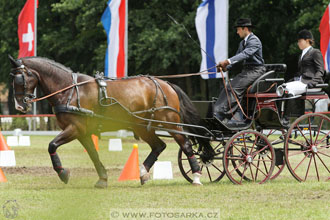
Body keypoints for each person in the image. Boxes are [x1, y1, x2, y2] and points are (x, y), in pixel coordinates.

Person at [214, 18, 266, 123]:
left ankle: (226, 114)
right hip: (247, 71)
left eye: (238, 30)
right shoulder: (242, 43)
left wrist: (227, 61)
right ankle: (217, 111)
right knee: (228, 86)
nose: (237, 32)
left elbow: (245, 54)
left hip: (256, 70)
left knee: (235, 88)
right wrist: (225, 67)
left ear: (245, 28)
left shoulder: (254, 40)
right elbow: (237, 59)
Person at [282, 29, 325, 125]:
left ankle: (287, 118)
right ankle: (283, 116)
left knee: (288, 89)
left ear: (307, 40)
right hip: (301, 82)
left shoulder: (315, 52)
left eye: (300, 41)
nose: (298, 43)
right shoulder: (302, 54)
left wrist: (313, 82)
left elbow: (320, 70)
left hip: (311, 83)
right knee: (282, 87)